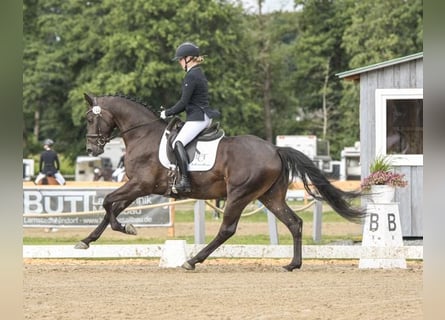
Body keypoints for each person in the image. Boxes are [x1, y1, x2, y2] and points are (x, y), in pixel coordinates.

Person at [160, 41, 220, 192]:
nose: (179, 62)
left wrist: (167, 113)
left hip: (198, 117)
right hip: (203, 116)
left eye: (180, 59)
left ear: (188, 59)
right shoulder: (198, 72)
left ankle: (184, 181)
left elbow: (183, 103)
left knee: (177, 142)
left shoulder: (191, 76)